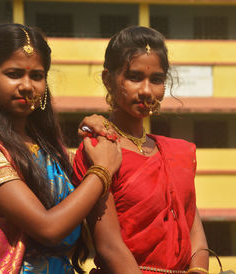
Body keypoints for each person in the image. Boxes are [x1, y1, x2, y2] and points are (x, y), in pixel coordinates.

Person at [0, 23, 122, 274]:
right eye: (13, 74)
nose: (27, 86)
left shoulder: (51, 151)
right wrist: (101, 171)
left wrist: (97, 136)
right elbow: (49, 229)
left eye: (36, 75)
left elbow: (80, 225)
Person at [73, 26, 209, 274]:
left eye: (156, 80)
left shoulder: (178, 152)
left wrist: (199, 270)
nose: (146, 91)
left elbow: (193, 230)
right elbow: (109, 246)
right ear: (108, 79)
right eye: (134, 77)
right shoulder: (99, 151)